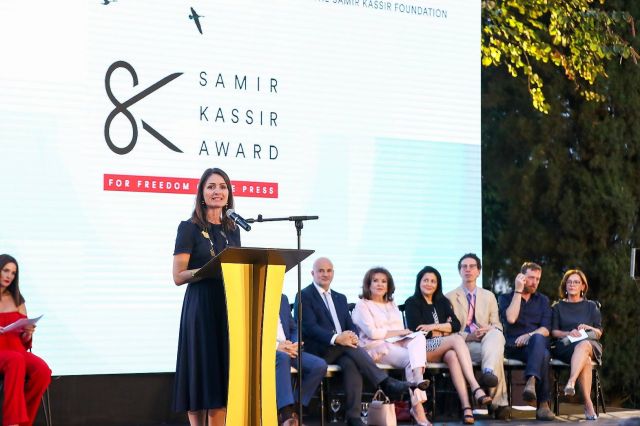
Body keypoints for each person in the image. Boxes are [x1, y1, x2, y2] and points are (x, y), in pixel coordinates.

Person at [296, 257, 428, 426]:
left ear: (333, 273)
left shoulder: (339, 297)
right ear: (312, 273)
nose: (325, 274)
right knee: (350, 349)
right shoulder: (304, 295)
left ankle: (353, 417)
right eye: (321, 271)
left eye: (328, 271)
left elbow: (350, 325)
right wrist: (337, 338)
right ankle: (385, 382)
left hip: (343, 350)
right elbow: (309, 327)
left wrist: (351, 337)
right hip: (319, 350)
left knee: (351, 364)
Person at [172, 168, 241, 426]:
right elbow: (178, 275)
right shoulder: (188, 228)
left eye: (222, 187)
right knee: (200, 376)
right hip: (201, 308)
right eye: (211, 186)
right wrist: (206, 270)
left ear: (228, 193)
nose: (217, 191)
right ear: (201, 193)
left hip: (226, 309)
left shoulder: (232, 229)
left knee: (219, 382)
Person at [405, 266, 492, 425]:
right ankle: (475, 387)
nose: (429, 284)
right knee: (457, 339)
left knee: (452, 355)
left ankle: (466, 407)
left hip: (441, 347)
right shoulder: (412, 302)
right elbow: (418, 331)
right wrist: (445, 328)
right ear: (419, 282)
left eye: (433, 281)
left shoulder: (442, 302)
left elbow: (456, 325)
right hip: (421, 349)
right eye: (425, 280)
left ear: (437, 284)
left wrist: (433, 327)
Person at [351, 267, 430, 426]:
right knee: (413, 360)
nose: (380, 284)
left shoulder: (391, 304)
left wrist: (402, 334)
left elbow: (398, 332)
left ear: (388, 286)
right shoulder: (362, 305)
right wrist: (400, 332)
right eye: (375, 281)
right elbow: (372, 333)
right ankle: (418, 407)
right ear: (368, 284)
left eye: (384, 281)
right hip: (376, 347)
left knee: (419, 337)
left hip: (395, 344)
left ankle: (418, 383)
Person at [445, 253, 511, 420]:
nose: (468, 269)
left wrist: (488, 329)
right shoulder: (449, 297)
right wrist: (469, 336)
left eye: (472, 266)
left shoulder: (489, 296)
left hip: (487, 341)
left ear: (479, 271)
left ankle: (488, 371)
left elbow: (497, 325)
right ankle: (499, 404)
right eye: (464, 267)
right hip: (464, 345)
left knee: (496, 335)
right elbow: (448, 331)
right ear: (460, 271)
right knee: (495, 354)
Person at [498, 261, 555, 421]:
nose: (534, 282)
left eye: (537, 279)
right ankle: (543, 405)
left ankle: (531, 380)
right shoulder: (505, 298)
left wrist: (530, 335)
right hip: (515, 347)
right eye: (531, 278)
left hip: (536, 344)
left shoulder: (543, 300)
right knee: (543, 355)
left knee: (539, 341)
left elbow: (546, 329)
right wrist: (518, 291)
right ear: (521, 277)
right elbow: (511, 318)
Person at [0, 254, 51, 426]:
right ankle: (11, 423)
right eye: (5, 270)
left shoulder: (18, 300)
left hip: (17, 349)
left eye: (13, 273)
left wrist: (28, 333)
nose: (9, 276)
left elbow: (23, 339)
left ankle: (24, 422)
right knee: (15, 360)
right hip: (3, 353)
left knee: (43, 371)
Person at [551, 269, 602, 421]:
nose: (572, 284)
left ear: (583, 286)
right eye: (569, 282)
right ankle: (588, 403)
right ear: (565, 285)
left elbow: (598, 333)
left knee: (584, 345)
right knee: (585, 360)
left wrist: (588, 327)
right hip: (566, 346)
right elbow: (554, 332)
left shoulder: (591, 306)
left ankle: (571, 381)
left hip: (589, 344)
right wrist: (568, 333)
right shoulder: (557, 307)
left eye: (576, 282)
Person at [276, 294, 327, 426]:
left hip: (289, 348)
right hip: (269, 351)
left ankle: (295, 409)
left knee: (319, 365)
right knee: (283, 357)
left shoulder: (282, 298)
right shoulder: (255, 298)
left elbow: (293, 328)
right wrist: (277, 346)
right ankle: (286, 415)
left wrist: (295, 343)